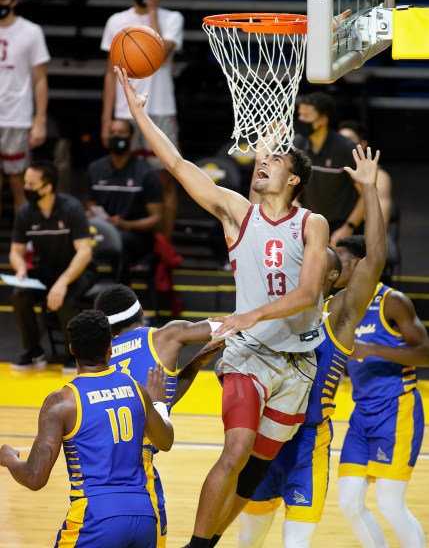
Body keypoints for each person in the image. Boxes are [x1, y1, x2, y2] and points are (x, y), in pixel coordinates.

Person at [114, 66, 330, 548]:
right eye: (262, 155)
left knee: (255, 472)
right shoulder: (238, 212)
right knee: (234, 451)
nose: (263, 161)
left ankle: (207, 544)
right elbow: (177, 163)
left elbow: (309, 294)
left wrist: (251, 313)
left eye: (275, 158)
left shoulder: (313, 224)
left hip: (298, 365)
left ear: (293, 178)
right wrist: (139, 115)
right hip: (248, 355)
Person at [232, 145, 386, 548]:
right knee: (247, 539)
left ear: (332, 275)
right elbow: (257, 222)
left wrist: (368, 189)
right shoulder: (276, 304)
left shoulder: (340, 317)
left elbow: (375, 261)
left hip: (307, 445)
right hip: (266, 437)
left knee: (295, 543)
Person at [0, 309, 174, 548]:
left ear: (71, 348)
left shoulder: (62, 403)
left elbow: (34, 477)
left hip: (97, 518)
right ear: (110, 347)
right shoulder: (137, 390)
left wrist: (9, 458)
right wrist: (158, 404)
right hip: (144, 517)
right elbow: (165, 442)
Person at [94, 283, 225, 548]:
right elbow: (228, 326)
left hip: (96, 473)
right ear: (141, 310)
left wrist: (194, 366)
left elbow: (158, 401)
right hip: (138, 472)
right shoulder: (165, 336)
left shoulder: (98, 357)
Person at [335, 237, 428, 548]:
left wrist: (371, 349)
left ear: (361, 263)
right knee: (348, 502)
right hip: (361, 415)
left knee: (390, 504)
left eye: (341, 259)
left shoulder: (392, 300)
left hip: (396, 411)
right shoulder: (341, 304)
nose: (334, 266)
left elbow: (425, 352)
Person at [101, 0, 184, 239]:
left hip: (159, 108)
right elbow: (109, 73)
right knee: (127, 179)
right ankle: (130, 243)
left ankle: (165, 250)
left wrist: (152, 10)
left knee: (166, 180)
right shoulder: (116, 21)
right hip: (124, 112)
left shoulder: (172, 18)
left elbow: (161, 53)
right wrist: (106, 119)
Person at [9, 160, 95, 372]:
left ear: (47, 188)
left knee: (65, 298)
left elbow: (85, 251)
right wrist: (20, 268)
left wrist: (63, 282)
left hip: (78, 269)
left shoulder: (71, 208)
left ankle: (72, 353)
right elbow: (15, 251)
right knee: (19, 294)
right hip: (47, 268)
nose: (25, 188)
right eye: (25, 183)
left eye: (31, 184)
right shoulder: (25, 213)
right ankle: (34, 351)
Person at [86, 118, 163, 284]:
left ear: (132, 138)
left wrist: (125, 225)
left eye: (121, 133)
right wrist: (96, 217)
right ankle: (81, 295)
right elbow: (91, 205)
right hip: (103, 231)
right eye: (112, 133)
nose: (116, 136)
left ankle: (121, 296)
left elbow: (156, 219)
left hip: (136, 236)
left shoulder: (146, 173)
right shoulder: (95, 169)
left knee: (118, 241)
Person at [0, 0, 50, 213]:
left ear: (14, 1)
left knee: (19, 182)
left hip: (16, 117)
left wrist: (39, 120)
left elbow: (40, 79)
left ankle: (21, 243)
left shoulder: (31, 31)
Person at [293, 92, 364, 246]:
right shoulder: (297, 145)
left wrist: (348, 227)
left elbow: (366, 194)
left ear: (323, 119)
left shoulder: (346, 149)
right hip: (309, 222)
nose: (301, 120)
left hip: (341, 225)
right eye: (300, 114)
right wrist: (293, 200)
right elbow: (292, 182)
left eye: (307, 116)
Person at [338, 119, 393, 226]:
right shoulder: (331, 170)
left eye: (348, 140)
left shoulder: (380, 176)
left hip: (361, 234)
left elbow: (381, 223)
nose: (343, 145)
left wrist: (348, 229)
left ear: (363, 144)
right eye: (340, 140)